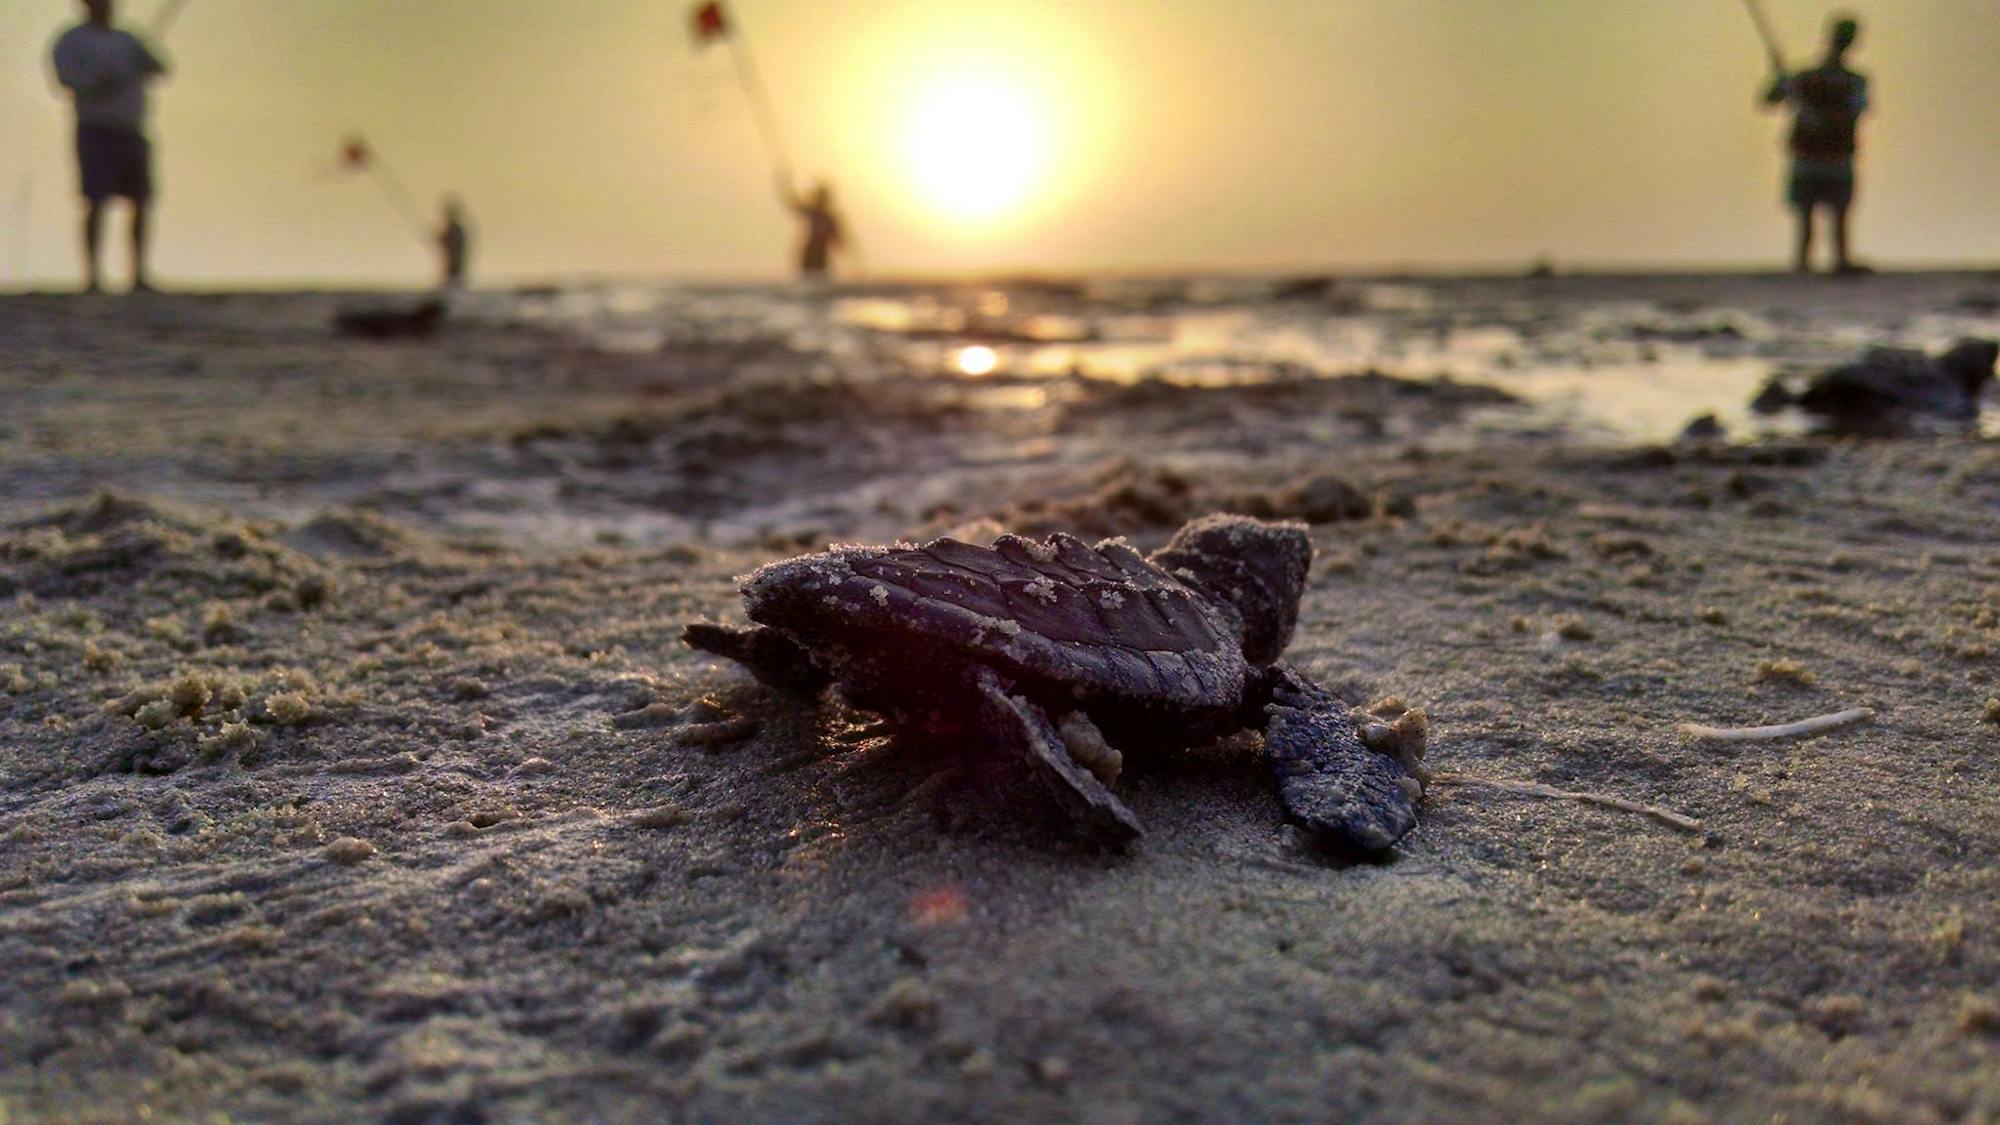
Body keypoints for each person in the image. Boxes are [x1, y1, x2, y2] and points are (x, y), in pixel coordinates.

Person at [51, 0, 167, 294]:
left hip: (131, 129)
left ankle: (139, 274)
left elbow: (160, 68)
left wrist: (145, 60)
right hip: (96, 129)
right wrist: (101, 82)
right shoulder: (72, 41)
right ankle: (93, 277)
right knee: (96, 200)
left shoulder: (128, 40)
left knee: (141, 200)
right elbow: (66, 81)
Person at [1763, 14, 1869, 274]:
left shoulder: (1851, 82)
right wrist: (1779, 78)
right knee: (1809, 216)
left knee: (1832, 215)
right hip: (1812, 156)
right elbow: (1771, 98)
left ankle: (1831, 262)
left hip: (1833, 156)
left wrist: (1821, 118)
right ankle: (1807, 264)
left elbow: (1855, 112)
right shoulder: (1808, 78)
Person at [779, 175, 845, 281]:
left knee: (820, 281)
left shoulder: (829, 219)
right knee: (807, 281)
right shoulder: (813, 213)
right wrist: (784, 182)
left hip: (821, 255)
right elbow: (793, 202)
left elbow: (839, 241)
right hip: (810, 254)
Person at [437, 195, 470, 290]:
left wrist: (439, 238)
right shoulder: (457, 230)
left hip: (453, 273)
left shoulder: (455, 230)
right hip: (452, 274)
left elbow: (449, 244)